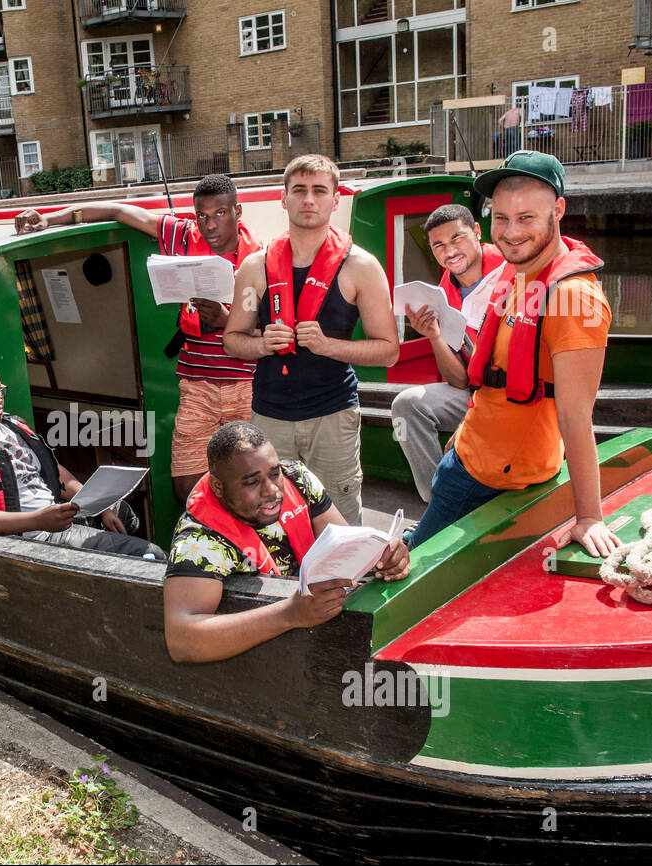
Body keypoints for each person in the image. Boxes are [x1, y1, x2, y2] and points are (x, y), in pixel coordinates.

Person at [407, 151, 620, 557]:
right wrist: (463, 433)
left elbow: (577, 417)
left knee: (413, 562)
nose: (510, 231)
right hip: (468, 455)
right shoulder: (516, 271)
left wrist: (589, 517)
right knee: (418, 547)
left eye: (526, 218)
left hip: (491, 477)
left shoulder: (574, 298)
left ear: (558, 210)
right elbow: (495, 373)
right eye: (501, 218)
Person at [14, 174, 261, 503]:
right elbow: (118, 212)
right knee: (185, 489)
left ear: (237, 211)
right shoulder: (181, 237)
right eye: (202, 216)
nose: (210, 225)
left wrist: (226, 321)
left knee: (251, 483)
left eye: (220, 214)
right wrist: (49, 218)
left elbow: (274, 337)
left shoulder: (262, 260)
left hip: (248, 385)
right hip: (196, 383)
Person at [224, 154, 398, 527]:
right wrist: (261, 344)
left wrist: (328, 345)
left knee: (341, 520)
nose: (308, 200)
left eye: (319, 191)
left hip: (332, 415)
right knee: (271, 517)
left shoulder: (360, 267)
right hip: (269, 414)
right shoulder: (256, 267)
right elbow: (233, 340)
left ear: (335, 200)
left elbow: (389, 351)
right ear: (283, 199)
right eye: (299, 190)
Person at [162, 422, 409, 663]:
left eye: (274, 473)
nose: (272, 490)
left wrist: (383, 557)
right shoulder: (198, 541)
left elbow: (346, 548)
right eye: (252, 481)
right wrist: (289, 614)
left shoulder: (297, 478)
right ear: (218, 486)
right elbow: (182, 641)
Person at [0, 356, 165, 559]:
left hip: (51, 514)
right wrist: (38, 520)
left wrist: (97, 507)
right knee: (152, 554)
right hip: (32, 535)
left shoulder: (10, 425)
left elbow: (55, 472)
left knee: (121, 513)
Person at [391, 203, 505, 502]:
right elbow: (459, 381)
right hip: (475, 392)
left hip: (511, 398)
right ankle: (437, 501)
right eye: (438, 245)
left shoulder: (511, 271)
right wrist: (435, 337)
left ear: (477, 232)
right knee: (407, 405)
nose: (449, 251)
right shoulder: (444, 289)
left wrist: (471, 421)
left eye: (457, 238)